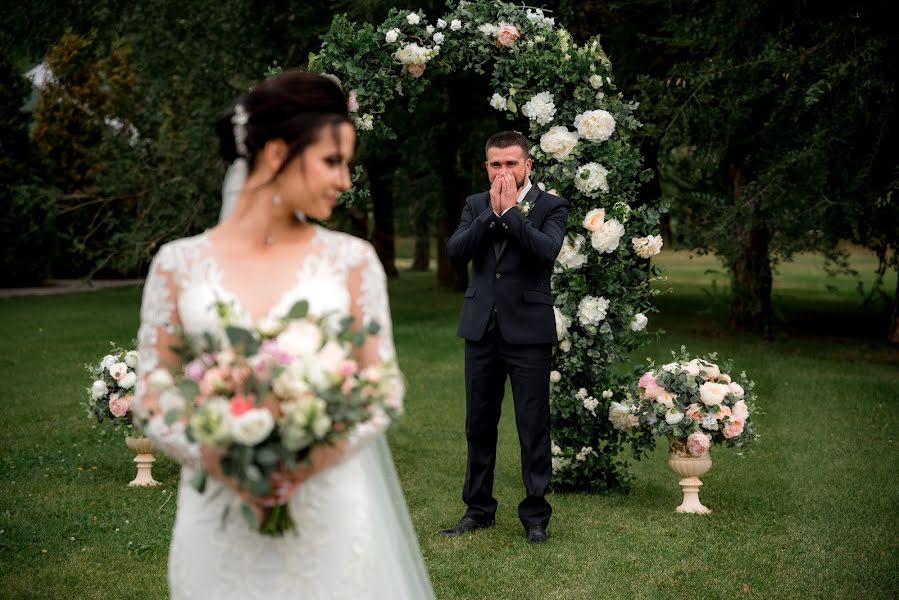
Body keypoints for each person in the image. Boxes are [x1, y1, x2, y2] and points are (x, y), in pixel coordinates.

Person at [133, 70, 434, 599]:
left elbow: (382, 389)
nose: (345, 180)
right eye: (332, 161)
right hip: (218, 523)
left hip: (326, 512)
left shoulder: (351, 263)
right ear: (277, 153)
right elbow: (154, 392)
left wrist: (302, 464)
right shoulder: (177, 265)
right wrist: (222, 460)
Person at [443, 131, 570, 544]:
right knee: (478, 425)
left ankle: (535, 515)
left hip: (528, 333)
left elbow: (545, 252)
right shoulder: (475, 204)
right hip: (482, 330)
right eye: (496, 164)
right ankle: (478, 508)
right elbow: (457, 251)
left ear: (528, 165)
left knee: (533, 426)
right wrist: (489, 216)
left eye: (511, 163)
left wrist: (512, 213)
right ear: (487, 167)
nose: (504, 171)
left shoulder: (552, 206)